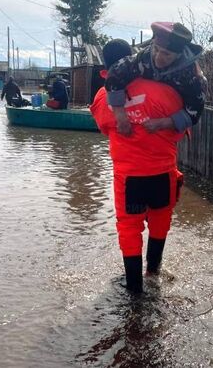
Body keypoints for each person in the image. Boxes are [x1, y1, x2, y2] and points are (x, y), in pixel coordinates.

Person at [90, 39, 187, 295]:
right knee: (160, 222)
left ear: (106, 68)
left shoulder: (102, 97)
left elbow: (103, 128)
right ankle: (153, 273)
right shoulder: (166, 91)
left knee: (129, 229)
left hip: (129, 177)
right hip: (163, 172)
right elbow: (182, 128)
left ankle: (134, 292)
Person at [105, 22, 207, 136]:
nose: (158, 58)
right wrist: (120, 115)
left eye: (166, 54)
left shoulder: (192, 76)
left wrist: (164, 123)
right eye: (156, 50)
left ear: (178, 55)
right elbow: (114, 74)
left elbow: (195, 111)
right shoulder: (143, 57)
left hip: (168, 124)